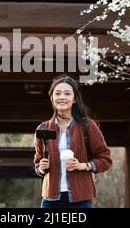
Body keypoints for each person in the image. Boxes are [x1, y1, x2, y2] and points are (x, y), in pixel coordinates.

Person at [34, 75, 113, 208]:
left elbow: (106, 160)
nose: (62, 97)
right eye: (57, 93)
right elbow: (38, 164)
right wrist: (41, 168)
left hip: (80, 199)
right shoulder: (43, 128)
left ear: (74, 99)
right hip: (50, 199)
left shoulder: (88, 126)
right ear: (52, 98)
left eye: (67, 93)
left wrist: (83, 166)